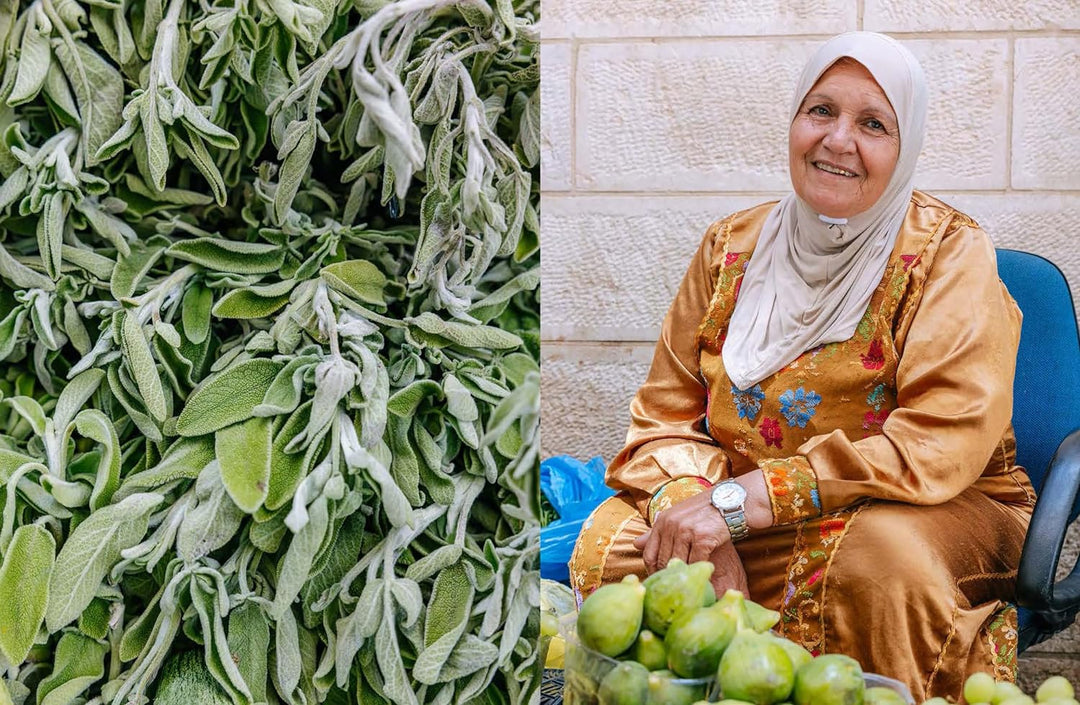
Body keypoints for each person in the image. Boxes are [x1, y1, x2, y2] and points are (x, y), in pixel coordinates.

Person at [567, 31, 1035, 702]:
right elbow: (662, 416)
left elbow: (937, 441)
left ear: (905, 150)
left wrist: (741, 503)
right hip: (745, 508)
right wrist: (696, 517)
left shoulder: (948, 255)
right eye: (820, 111)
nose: (837, 140)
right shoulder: (730, 247)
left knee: (876, 565)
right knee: (623, 545)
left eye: (873, 123)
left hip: (925, 506)